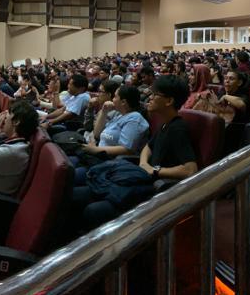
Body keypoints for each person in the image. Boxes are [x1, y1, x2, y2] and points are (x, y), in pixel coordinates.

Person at [70, 75, 197, 231]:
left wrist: (154, 170)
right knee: (77, 193)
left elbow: (190, 169)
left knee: (91, 208)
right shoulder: (165, 124)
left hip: (150, 190)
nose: (149, 98)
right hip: (138, 177)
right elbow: (148, 147)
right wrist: (143, 163)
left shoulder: (178, 128)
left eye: (155, 94)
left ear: (169, 101)